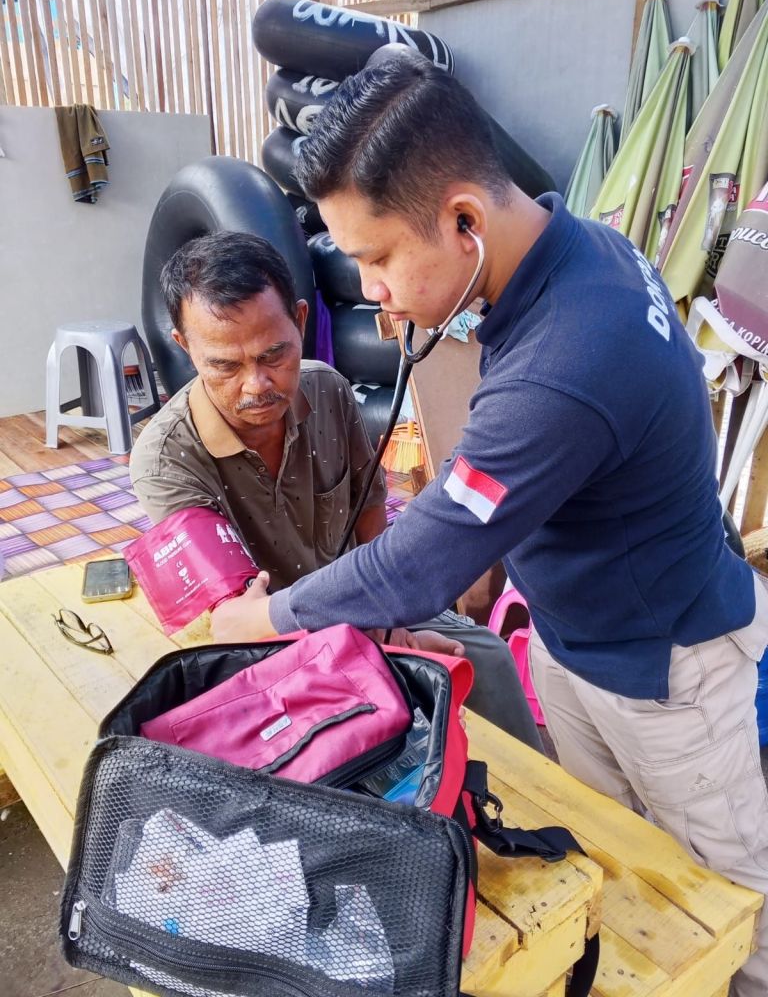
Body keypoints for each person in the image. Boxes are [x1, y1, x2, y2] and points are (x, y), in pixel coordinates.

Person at [210, 57, 768, 997]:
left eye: (379, 257)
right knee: (621, 866)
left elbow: (414, 565)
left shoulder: (570, 354)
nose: (372, 290)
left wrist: (258, 619)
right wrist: (498, 556)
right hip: (583, 636)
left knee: (731, 903)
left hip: (664, 668)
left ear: (465, 220)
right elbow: (528, 474)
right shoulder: (577, 248)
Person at [129, 230, 542, 748]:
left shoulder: (328, 389)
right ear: (185, 347)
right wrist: (385, 644)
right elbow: (236, 623)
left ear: (301, 322)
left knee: (488, 660)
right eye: (225, 366)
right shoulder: (165, 460)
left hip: (363, 602)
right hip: (270, 648)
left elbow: (371, 518)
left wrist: (393, 624)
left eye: (274, 355)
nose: (257, 385)